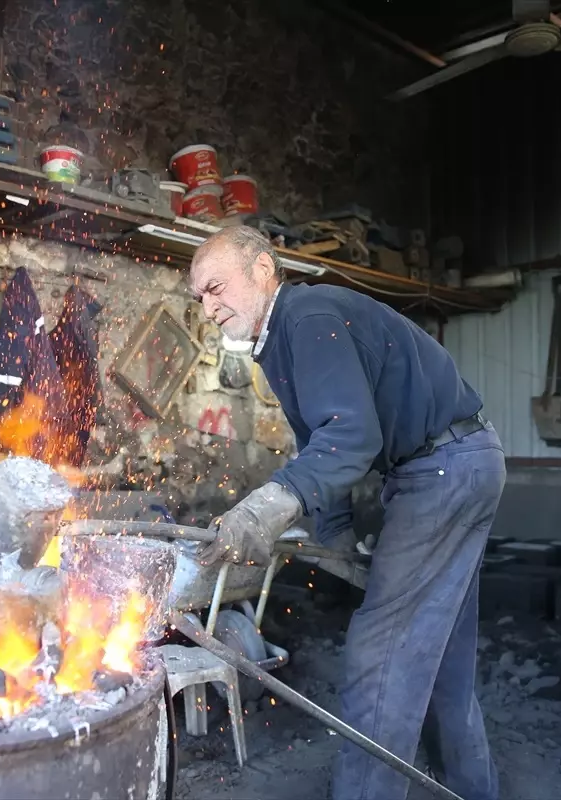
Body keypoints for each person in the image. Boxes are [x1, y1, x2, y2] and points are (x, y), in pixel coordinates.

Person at [190, 225, 503, 800]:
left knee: (379, 653)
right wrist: (333, 533)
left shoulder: (306, 317)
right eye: (201, 298)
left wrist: (263, 511)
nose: (209, 308)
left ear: (263, 269)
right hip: (457, 464)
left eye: (216, 287)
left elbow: (351, 436)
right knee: (441, 663)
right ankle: (471, 791)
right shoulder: (281, 340)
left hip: (442, 472)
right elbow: (321, 442)